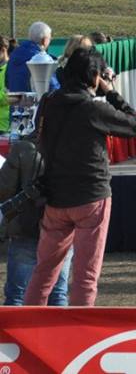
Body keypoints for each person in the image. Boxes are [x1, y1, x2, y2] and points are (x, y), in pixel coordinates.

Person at [24, 48, 136, 306]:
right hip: (91, 197)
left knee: (43, 272)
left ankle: (28, 324)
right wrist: (110, 92)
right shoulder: (93, 109)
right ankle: (80, 326)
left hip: (54, 197)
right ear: (95, 77)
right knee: (85, 277)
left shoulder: (48, 102)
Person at [0, 127, 72, 306]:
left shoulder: (22, 147)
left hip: (26, 226)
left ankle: (15, 327)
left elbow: (4, 188)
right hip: (62, 228)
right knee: (58, 292)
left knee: (17, 294)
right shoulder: (74, 146)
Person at [5, 21, 59, 94]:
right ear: (45, 40)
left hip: (16, 99)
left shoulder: (14, 54)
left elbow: (7, 82)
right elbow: (52, 87)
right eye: (50, 38)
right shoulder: (42, 59)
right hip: (35, 100)